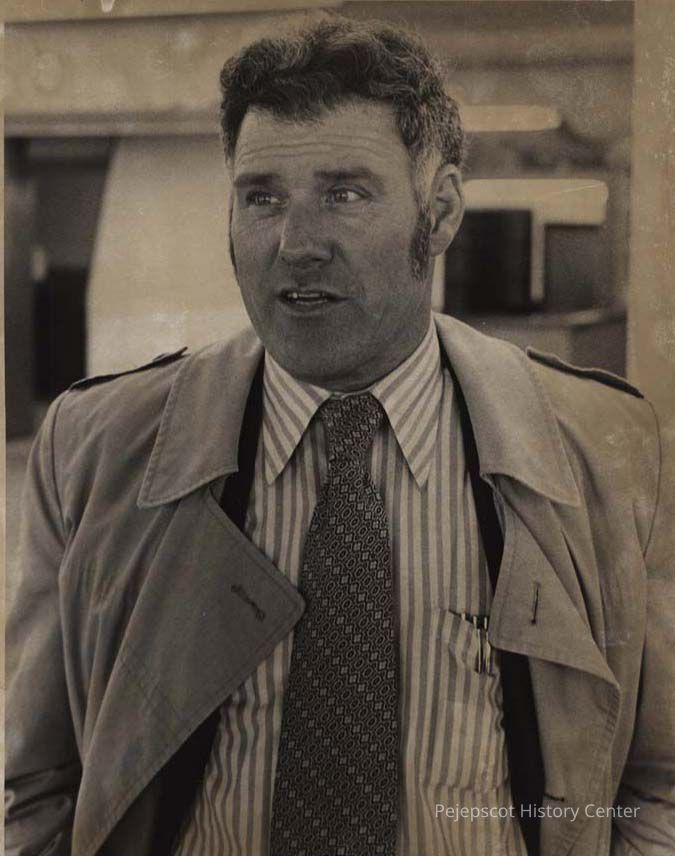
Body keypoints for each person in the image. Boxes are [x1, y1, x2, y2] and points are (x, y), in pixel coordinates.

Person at [5, 17, 675, 856]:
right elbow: (38, 784)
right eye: (262, 197)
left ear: (439, 212)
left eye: (345, 194)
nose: (296, 245)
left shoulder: (602, 448)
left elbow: (654, 782)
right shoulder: (96, 447)